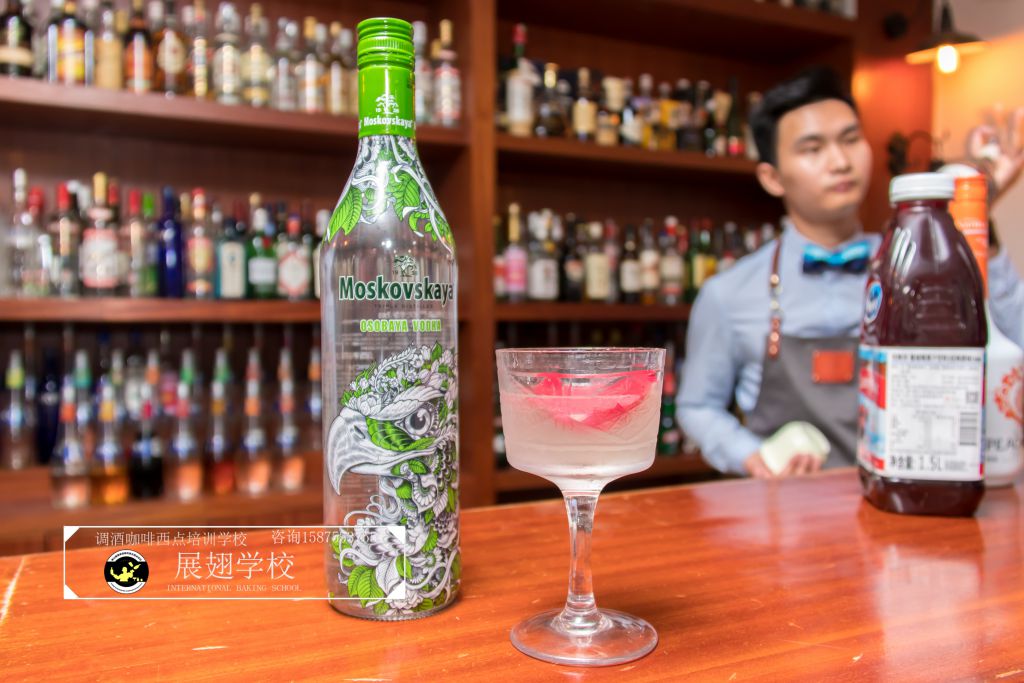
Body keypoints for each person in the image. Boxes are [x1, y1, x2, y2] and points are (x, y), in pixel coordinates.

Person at [677, 66, 1023, 479]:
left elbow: (1011, 347)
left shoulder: (921, 266)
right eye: (812, 148)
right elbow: (697, 406)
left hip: (903, 492)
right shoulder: (727, 293)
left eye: (851, 139)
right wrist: (751, 455)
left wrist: (977, 218)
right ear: (772, 177)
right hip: (783, 507)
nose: (840, 162)